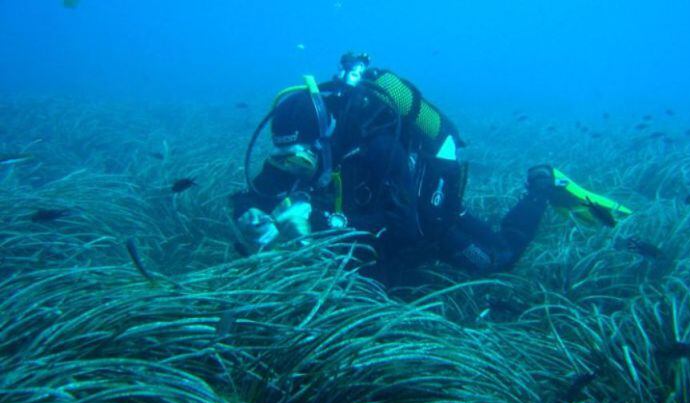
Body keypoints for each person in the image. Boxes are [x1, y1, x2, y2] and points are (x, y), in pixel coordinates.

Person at [231, 53, 629, 285]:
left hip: (425, 208)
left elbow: (404, 227)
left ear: (324, 138)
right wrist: (250, 215)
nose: (295, 170)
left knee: (497, 261)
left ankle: (544, 184)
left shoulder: (379, 148)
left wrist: (319, 219)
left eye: (302, 159)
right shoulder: (305, 149)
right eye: (288, 159)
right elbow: (256, 192)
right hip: (369, 214)